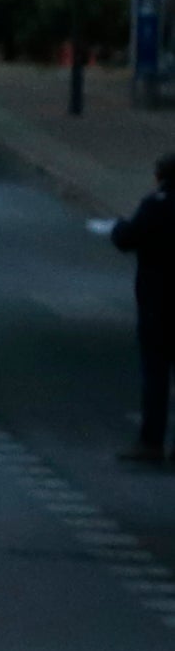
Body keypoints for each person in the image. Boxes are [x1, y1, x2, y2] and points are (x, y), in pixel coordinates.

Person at [111, 151, 175, 465]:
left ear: (161, 177)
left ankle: (152, 442)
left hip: (158, 303)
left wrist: (119, 226)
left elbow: (126, 238)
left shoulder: (156, 206)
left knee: (156, 375)